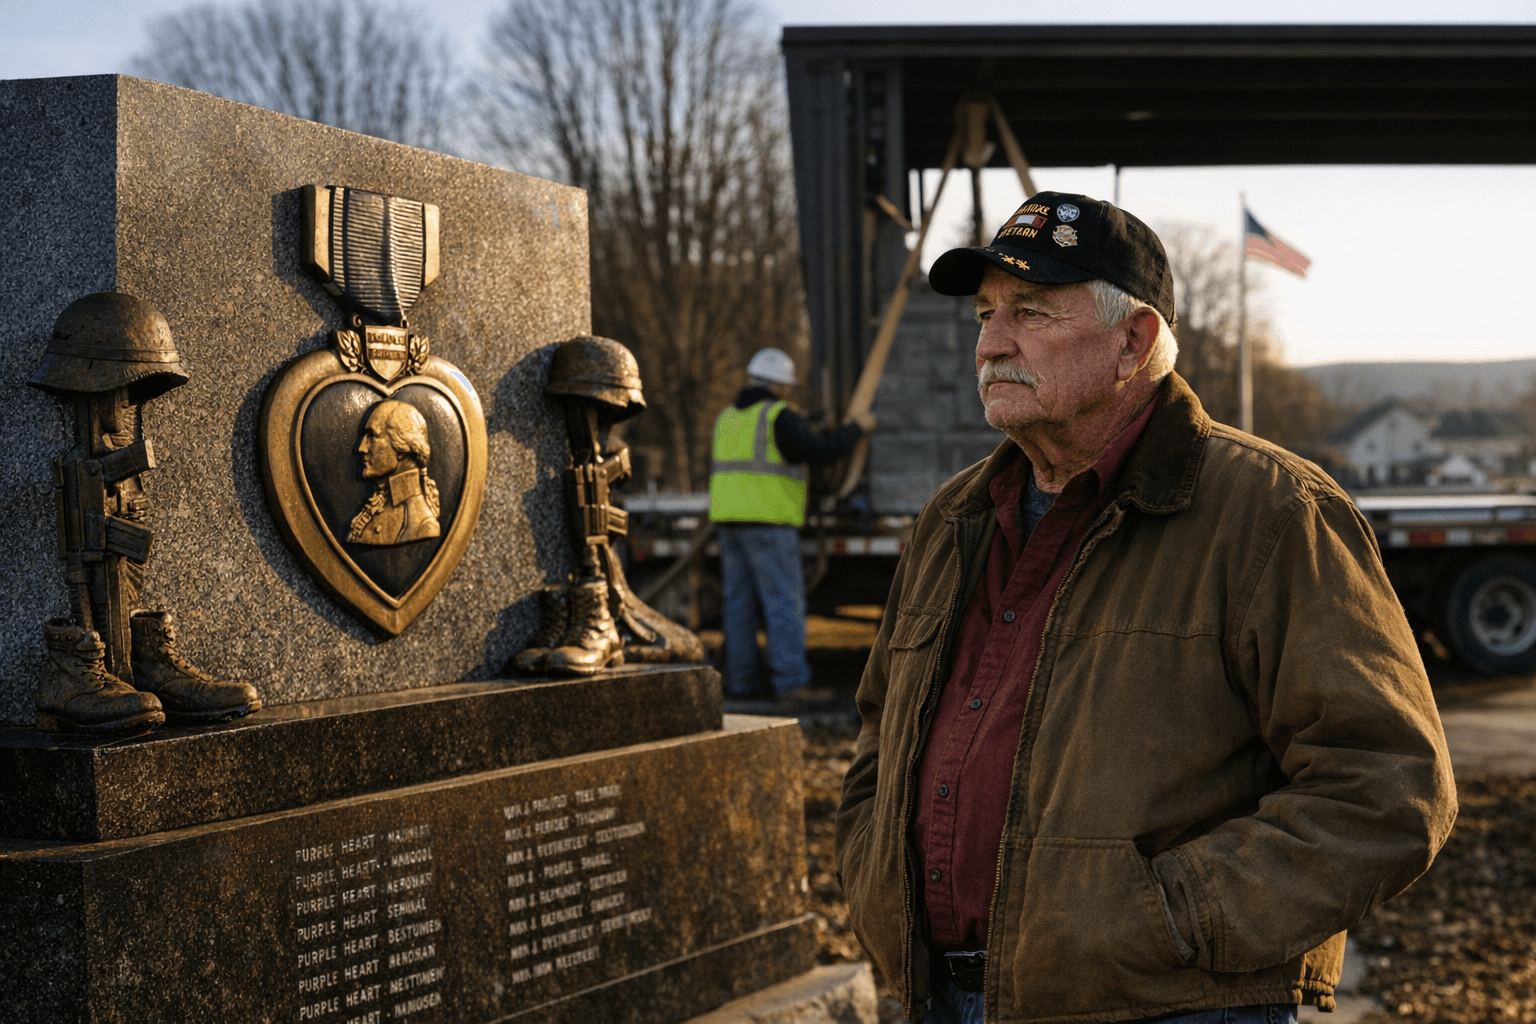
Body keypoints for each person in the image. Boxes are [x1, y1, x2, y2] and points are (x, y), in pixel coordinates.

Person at [835, 193, 1456, 1024]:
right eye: (985, 315)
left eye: (1030, 312)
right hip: (935, 999)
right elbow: (881, 733)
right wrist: (870, 874)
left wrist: (1175, 920)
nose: (989, 343)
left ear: (1134, 340)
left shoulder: (1271, 513)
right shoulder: (955, 517)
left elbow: (1387, 786)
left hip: (1168, 1007)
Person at [709, 347, 875, 701]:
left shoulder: (727, 416)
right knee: (782, 605)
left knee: (738, 607)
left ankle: (741, 684)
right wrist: (855, 430)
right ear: (781, 386)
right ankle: (791, 683)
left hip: (728, 523)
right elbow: (818, 452)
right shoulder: (778, 416)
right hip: (768, 522)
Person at [350, 399, 442, 545]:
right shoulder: (379, 505)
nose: (362, 448)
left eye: (372, 436)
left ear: (402, 447)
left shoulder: (423, 526)